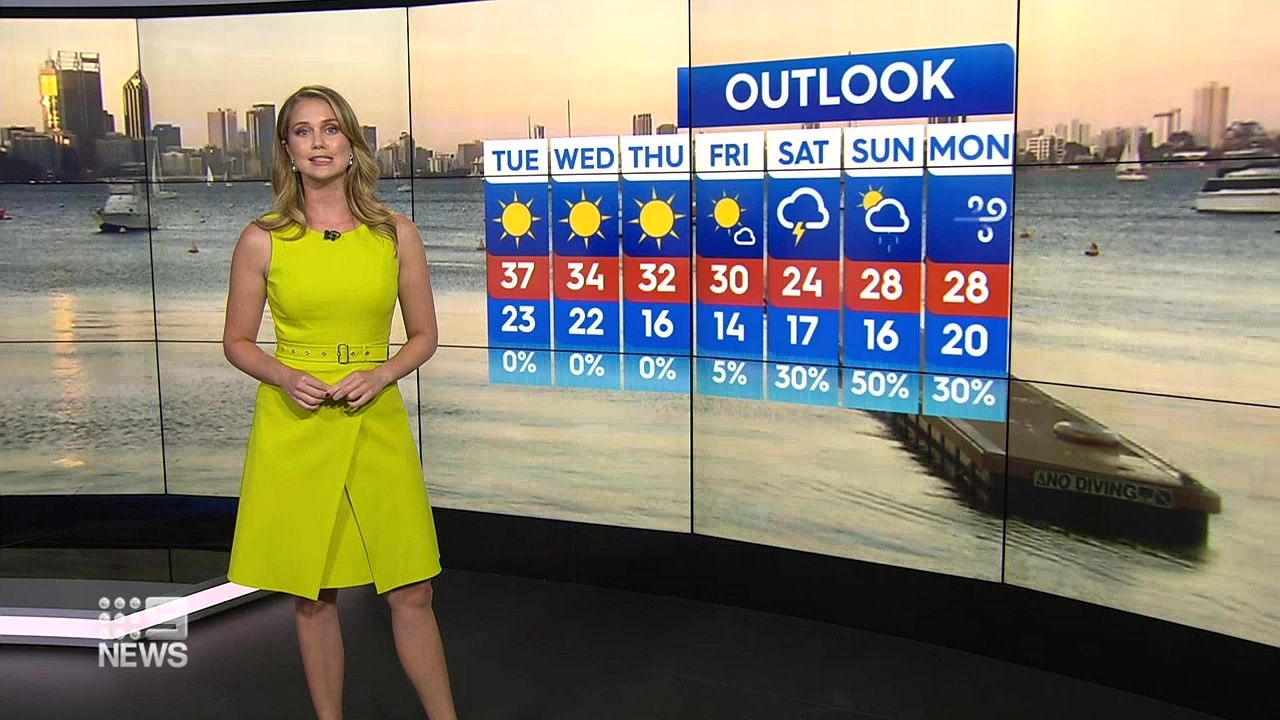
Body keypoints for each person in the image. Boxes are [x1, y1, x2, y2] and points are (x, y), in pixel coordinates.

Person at [222, 85, 457, 720]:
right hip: (296, 425)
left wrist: (382, 375)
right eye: (303, 131)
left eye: (331, 129)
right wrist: (282, 375)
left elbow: (425, 335)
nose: (319, 142)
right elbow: (237, 342)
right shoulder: (262, 239)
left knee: (413, 589)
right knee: (312, 595)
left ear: (352, 144)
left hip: (375, 418)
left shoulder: (394, 234)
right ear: (287, 149)